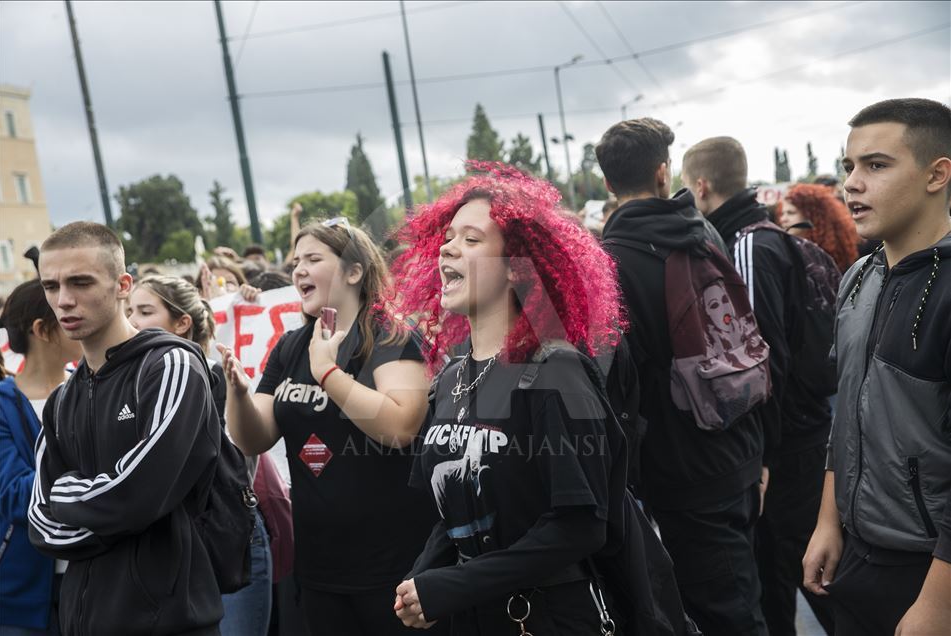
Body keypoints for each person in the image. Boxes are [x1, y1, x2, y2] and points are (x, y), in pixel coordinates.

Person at [387, 163, 630, 634]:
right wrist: (422, 579)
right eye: (449, 237)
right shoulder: (452, 377)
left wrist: (455, 585)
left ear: (516, 264)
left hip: (547, 619)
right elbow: (455, 516)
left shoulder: (555, 370)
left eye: (472, 240)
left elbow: (580, 526)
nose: (448, 248)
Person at [217, 217, 441, 636]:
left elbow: (400, 425)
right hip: (321, 571)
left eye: (313, 259)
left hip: (396, 570)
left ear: (354, 271)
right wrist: (238, 393)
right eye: (296, 260)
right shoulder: (291, 345)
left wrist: (328, 374)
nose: (298, 269)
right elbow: (254, 438)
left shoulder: (390, 335)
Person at [597, 119, 767, 636]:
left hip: (681, 469)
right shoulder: (706, 233)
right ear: (663, 171)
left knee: (720, 612)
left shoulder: (608, 263)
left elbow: (616, 381)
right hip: (740, 438)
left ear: (606, 184)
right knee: (740, 593)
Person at [27, 222, 224, 635]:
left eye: (80, 282)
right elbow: (41, 524)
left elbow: (139, 495)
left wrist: (74, 494)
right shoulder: (63, 398)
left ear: (123, 284)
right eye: (51, 286)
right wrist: (119, 513)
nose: (63, 300)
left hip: (168, 622)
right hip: (85, 621)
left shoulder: (171, 366)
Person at [803, 97, 951, 636]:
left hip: (930, 570)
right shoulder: (856, 277)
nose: (853, 184)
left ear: (937, 175)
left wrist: (939, 602)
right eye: (849, 167)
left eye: (877, 165)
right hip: (860, 553)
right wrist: (828, 520)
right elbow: (845, 414)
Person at [682, 135, 838, 636]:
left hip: (785, 447)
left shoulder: (747, 245)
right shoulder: (778, 238)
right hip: (808, 434)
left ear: (701, 185)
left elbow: (757, 360)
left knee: (780, 580)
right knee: (804, 573)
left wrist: (763, 457)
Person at [127, 275, 273, 636]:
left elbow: (237, 464)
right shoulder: (133, 383)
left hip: (223, 535)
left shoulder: (216, 377)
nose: (131, 321)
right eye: (128, 310)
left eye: (145, 311)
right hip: (168, 547)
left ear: (182, 323)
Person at [0, 280, 82, 635]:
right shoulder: (3, 404)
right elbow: (15, 495)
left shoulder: (93, 387)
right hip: (23, 597)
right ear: (42, 330)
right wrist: (96, 476)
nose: (80, 317)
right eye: (65, 313)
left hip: (98, 581)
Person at [779, 183, 860, 272]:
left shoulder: (828, 255)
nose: (783, 219)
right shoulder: (786, 250)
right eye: (782, 213)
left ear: (812, 216)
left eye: (791, 213)